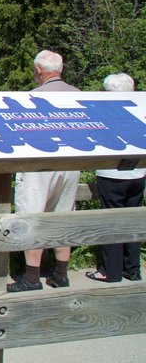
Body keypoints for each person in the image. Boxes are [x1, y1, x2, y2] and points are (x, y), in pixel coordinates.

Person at [8, 49, 81, 292]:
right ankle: (61, 273)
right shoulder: (79, 95)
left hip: (39, 166)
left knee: (32, 217)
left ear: (38, 71)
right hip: (71, 165)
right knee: (63, 217)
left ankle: (31, 277)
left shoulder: (32, 97)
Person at [86, 73, 144, 283]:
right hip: (138, 173)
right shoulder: (140, 108)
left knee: (111, 223)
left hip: (111, 175)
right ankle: (133, 269)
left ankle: (111, 271)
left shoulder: (104, 112)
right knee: (132, 222)